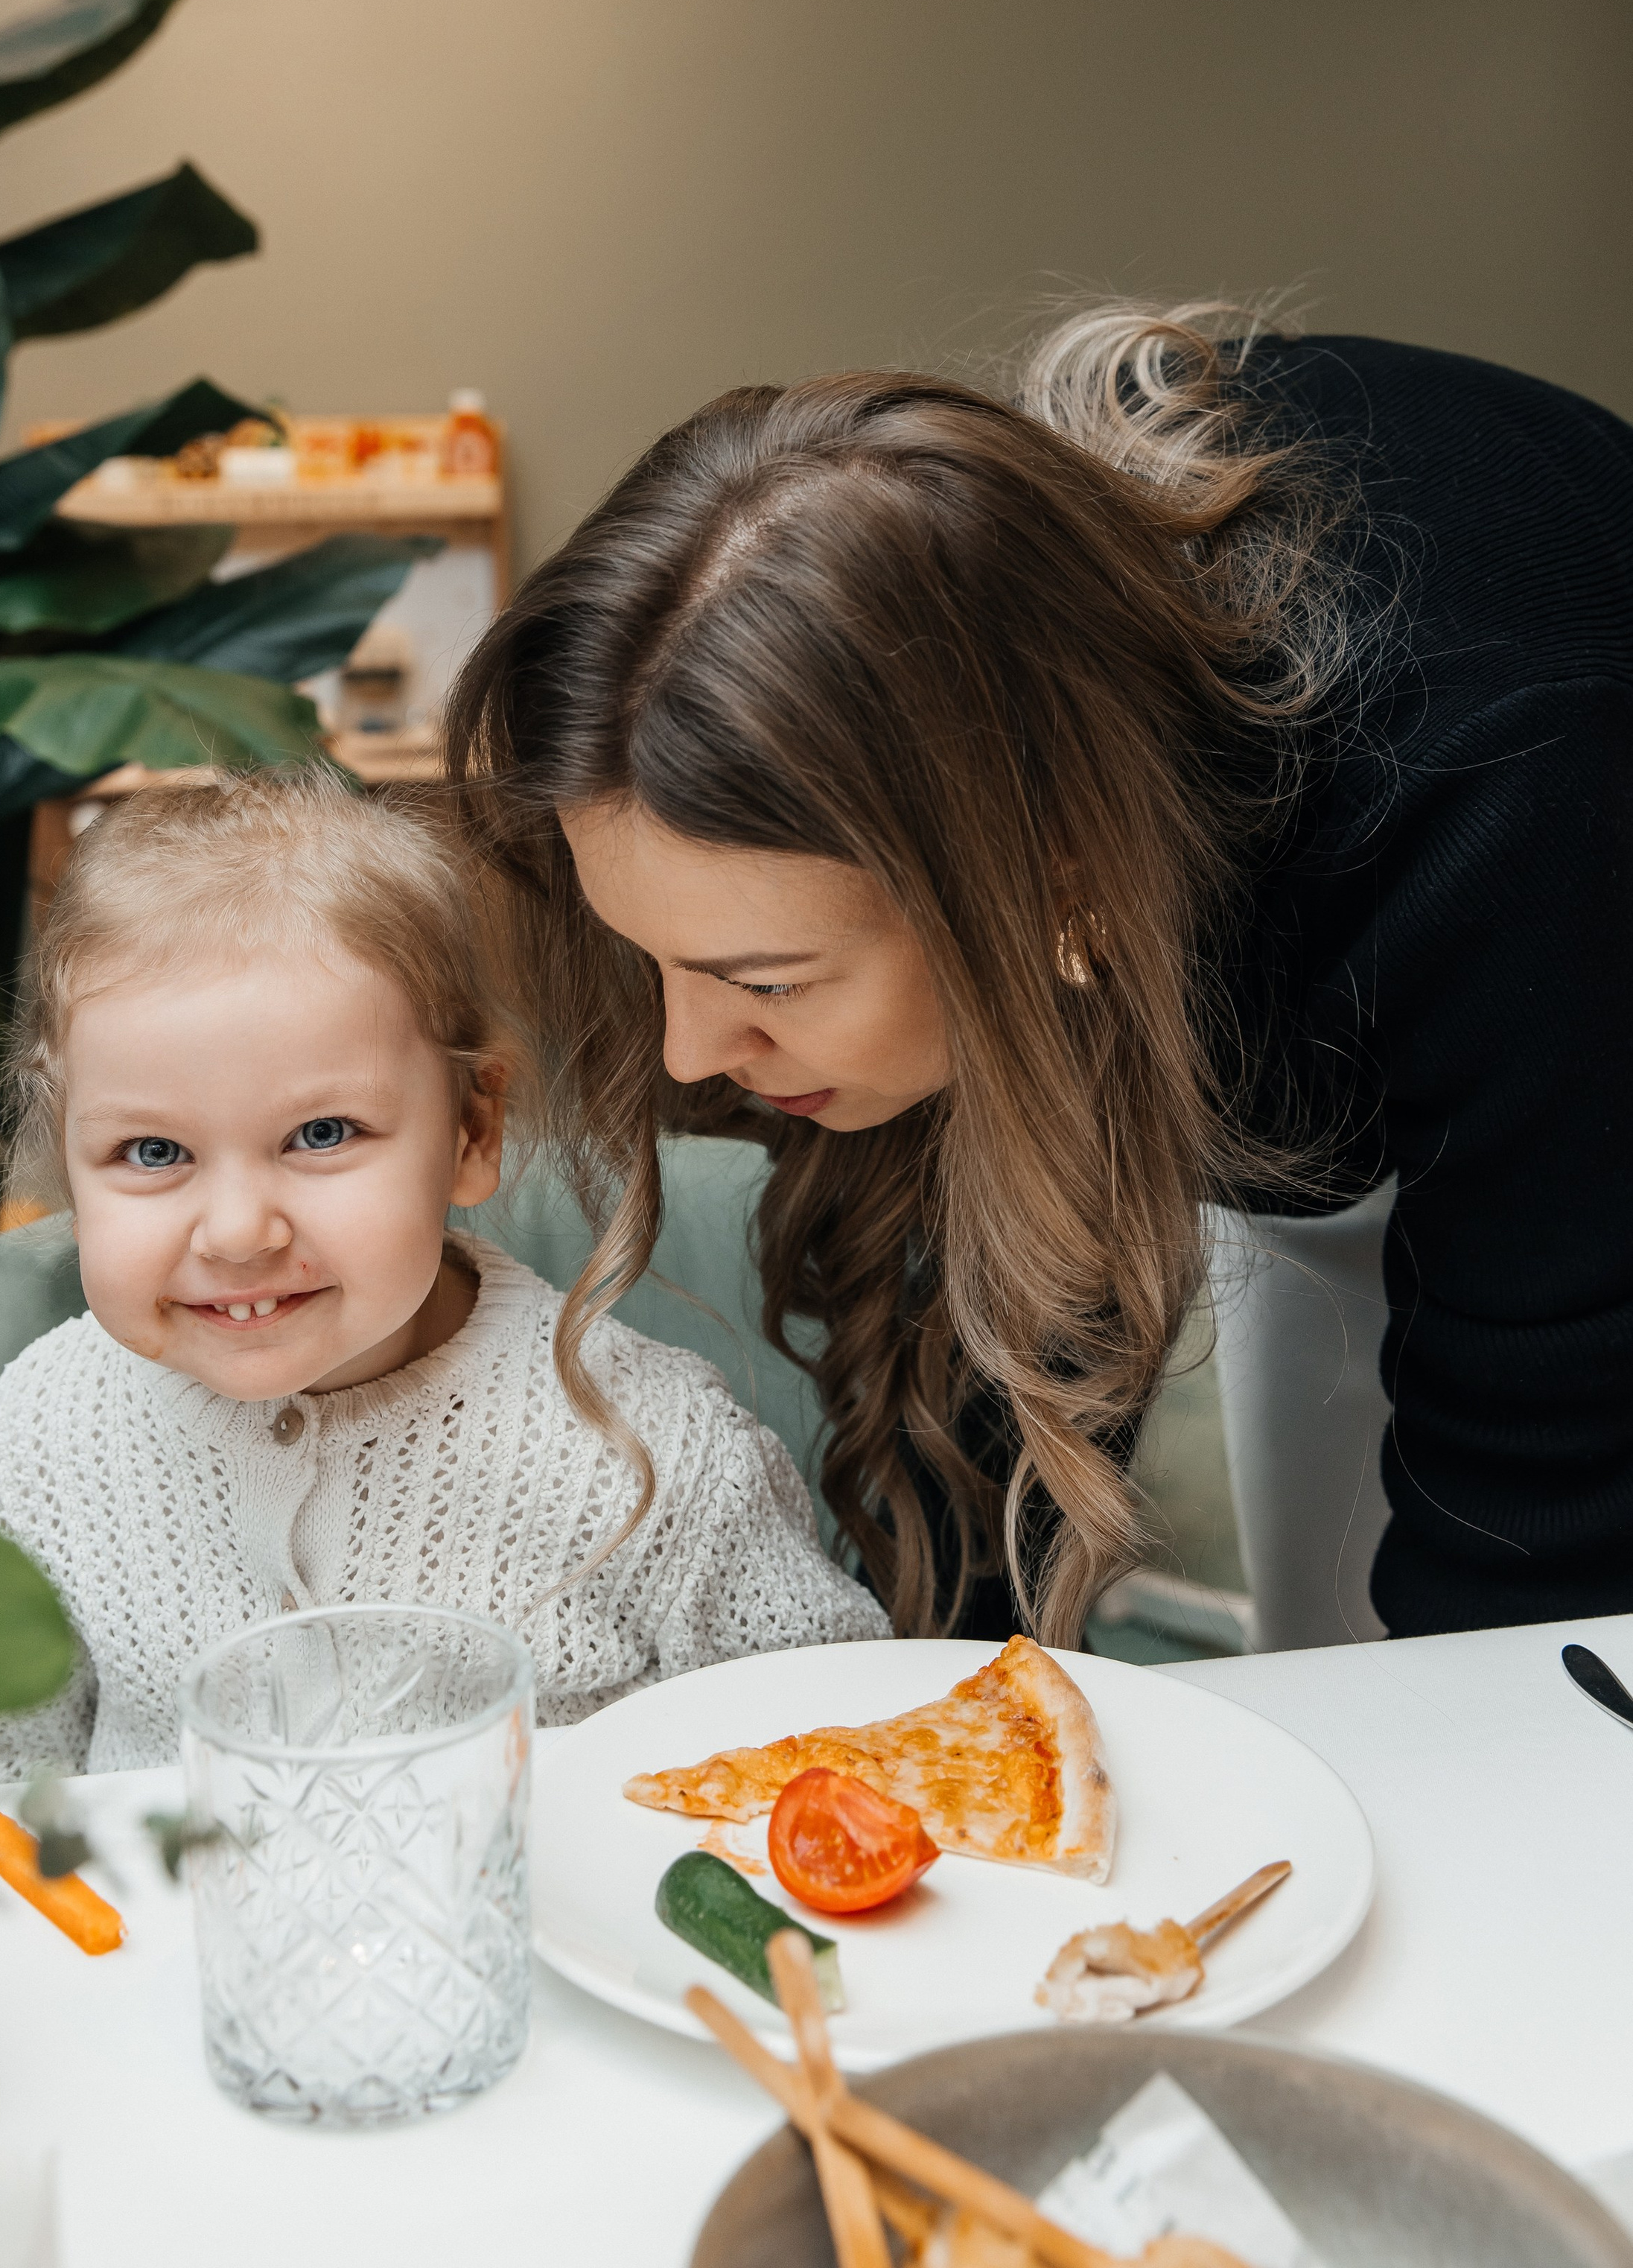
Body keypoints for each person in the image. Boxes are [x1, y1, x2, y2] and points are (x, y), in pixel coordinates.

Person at [445, 308, 1633, 1648]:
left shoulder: (1502, 787)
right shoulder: (979, 730)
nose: (687, 1054)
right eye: (654, 958)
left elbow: (1550, 1528)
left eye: (765, 981)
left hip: (1566, 947)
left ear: (1050, 883)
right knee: (1325, 1631)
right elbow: (1002, 1381)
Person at [0, 769, 882, 1786]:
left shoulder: (650, 1447)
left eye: (321, 1133)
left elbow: (828, 1750)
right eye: (153, 1152)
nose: (239, 1231)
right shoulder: (29, 1445)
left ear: (474, 1128)